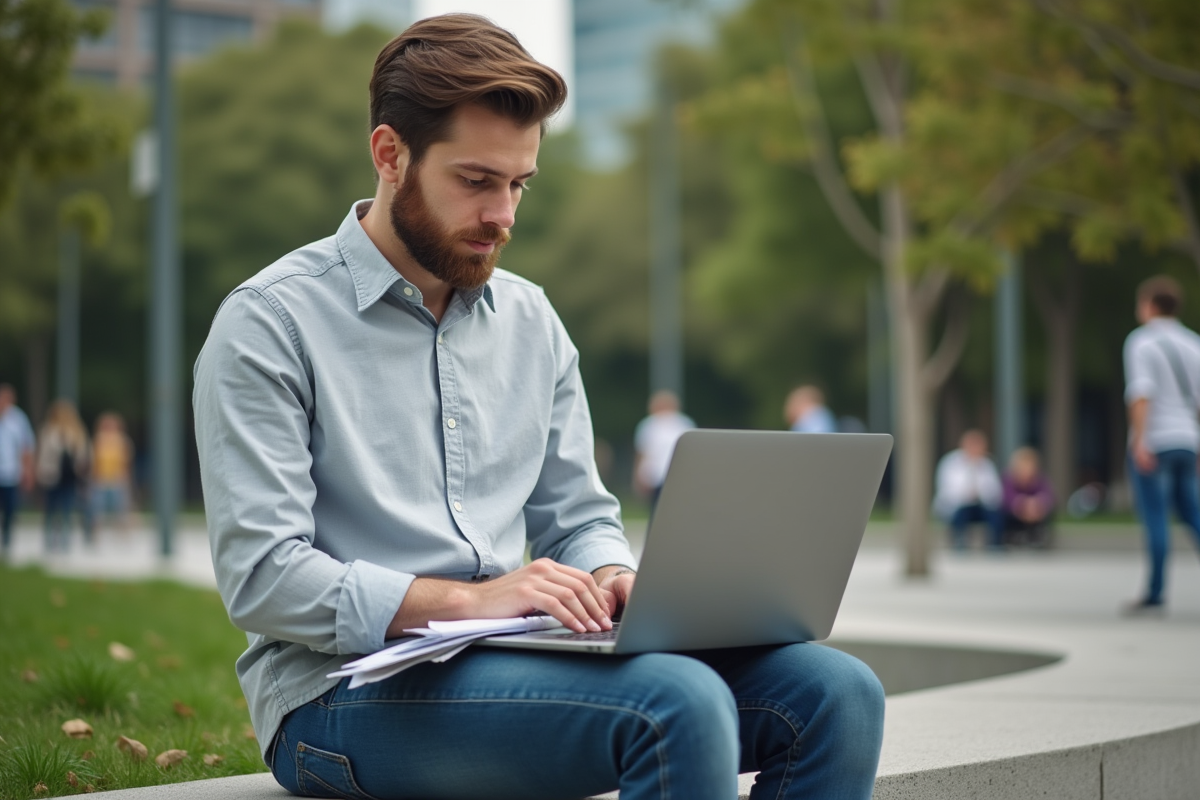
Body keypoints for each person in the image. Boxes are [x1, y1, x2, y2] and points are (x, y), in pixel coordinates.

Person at [193, 15, 885, 800]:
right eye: (477, 180)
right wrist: (467, 601)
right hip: (335, 695)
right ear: (390, 155)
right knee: (676, 706)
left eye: (519, 183)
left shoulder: (531, 320)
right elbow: (263, 577)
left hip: (513, 653)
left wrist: (616, 575)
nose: (504, 215)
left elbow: (578, 516)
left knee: (837, 695)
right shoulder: (269, 324)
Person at [1122, 275, 1200, 614]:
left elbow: (1141, 394)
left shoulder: (1142, 342)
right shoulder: (1193, 343)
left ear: (1151, 305)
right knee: (1193, 514)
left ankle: (1155, 592)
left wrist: (1141, 441)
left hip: (1157, 440)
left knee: (1156, 516)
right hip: (1188, 439)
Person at [933, 429, 1005, 550]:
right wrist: (967, 494)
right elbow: (946, 491)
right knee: (961, 514)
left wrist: (981, 494)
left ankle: (994, 545)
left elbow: (995, 491)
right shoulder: (950, 462)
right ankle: (959, 544)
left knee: (995, 515)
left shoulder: (987, 464)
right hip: (957, 506)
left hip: (981, 505)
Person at [35, 399, 90, 552]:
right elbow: (44, 453)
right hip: (51, 474)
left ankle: (65, 541)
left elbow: (83, 454)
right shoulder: (48, 430)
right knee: (50, 508)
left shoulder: (77, 431)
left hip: (70, 476)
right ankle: (49, 541)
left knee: (67, 508)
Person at [632, 389, 695, 509]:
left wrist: (638, 476)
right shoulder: (684, 423)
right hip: (662, 474)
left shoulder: (649, 425)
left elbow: (642, 453)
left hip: (660, 474)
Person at [0, 383, 36, 557]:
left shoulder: (18, 419)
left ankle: (6, 540)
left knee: (10, 509)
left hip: (10, 472)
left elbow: (26, 447)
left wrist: (28, 471)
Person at [88, 412, 135, 536]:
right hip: (101, 478)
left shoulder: (122, 440)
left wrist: (126, 478)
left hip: (117, 477)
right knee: (97, 506)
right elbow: (94, 461)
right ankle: (96, 530)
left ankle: (122, 530)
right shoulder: (98, 440)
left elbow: (126, 462)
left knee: (121, 506)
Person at [1001, 447, 1055, 548]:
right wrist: (1022, 504)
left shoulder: (1040, 479)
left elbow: (1048, 496)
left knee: (1046, 509)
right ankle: (1012, 536)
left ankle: (1039, 537)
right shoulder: (1009, 479)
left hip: (1035, 512)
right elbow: (1007, 497)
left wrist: (1037, 503)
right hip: (1016, 514)